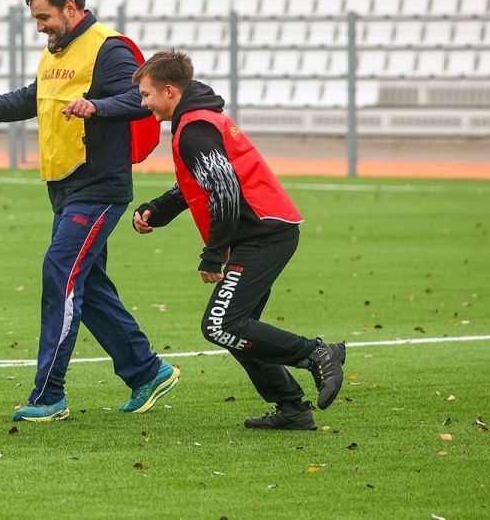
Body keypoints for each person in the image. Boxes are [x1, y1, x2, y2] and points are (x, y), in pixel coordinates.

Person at [0, 0, 177, 422]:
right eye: (36, 19)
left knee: (60, 273)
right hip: (65, 188)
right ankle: (147, 371)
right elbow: (31, 98)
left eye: (45, 17)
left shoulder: (108, 48)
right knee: (86, 283)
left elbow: (139, 100)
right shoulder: (55, 53)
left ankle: (49, 394)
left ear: (71, 7)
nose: (40, 27)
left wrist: (97, 107)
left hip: (98, 187)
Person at [130, 50, 346, 431]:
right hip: (267, 230)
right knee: (238, 328)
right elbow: (202, 184)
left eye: (146, 95)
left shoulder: (195, 129)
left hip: (264, 234)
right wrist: (157, 210)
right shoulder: (200, 120)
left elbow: (225, 188)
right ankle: (293, 408)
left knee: (220, 324)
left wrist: (213, 255)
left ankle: (316, 353)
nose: (143, 103)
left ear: (169, 90)